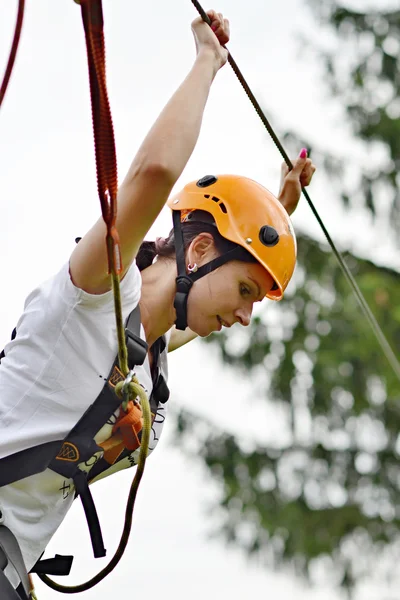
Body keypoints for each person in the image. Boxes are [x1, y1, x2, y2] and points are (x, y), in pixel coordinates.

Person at [0, 9, 315, 598]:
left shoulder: (151, 348)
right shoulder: (95, 295)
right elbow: (154, 172)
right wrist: (206, 62)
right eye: (246, 293)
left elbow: (215, 281)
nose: (246, 317)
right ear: (198, 247)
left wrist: (276, 209)